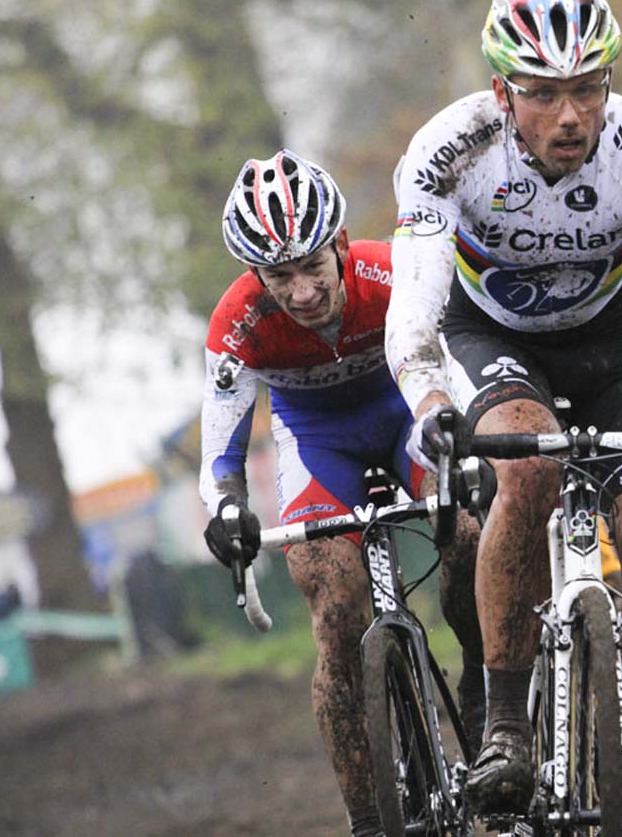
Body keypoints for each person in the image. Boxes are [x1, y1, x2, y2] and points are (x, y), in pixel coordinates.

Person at [384, 0, 622, 833]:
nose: (570, 115)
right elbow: (413, 307)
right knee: (531, 469)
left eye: (588, 88)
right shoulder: (448, 152)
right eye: (543, 92)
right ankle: (510, 730)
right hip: (488, 334)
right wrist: (433, 401)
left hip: (615, 343)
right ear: (501, 95)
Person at [199, 149, 483, 837]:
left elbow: (457, 380)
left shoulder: (394, 274)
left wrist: (472, 455)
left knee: (474, 536)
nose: (299, 292)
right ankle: (368, 820)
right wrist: (226, 509)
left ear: (342, 245)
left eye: (312, 267)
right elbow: (221, 452)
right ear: (253, 275)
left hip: (406, 415)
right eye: (278, 276)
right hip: (316, 440)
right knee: (335, 610)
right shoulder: (235, 326)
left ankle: (482, 680)